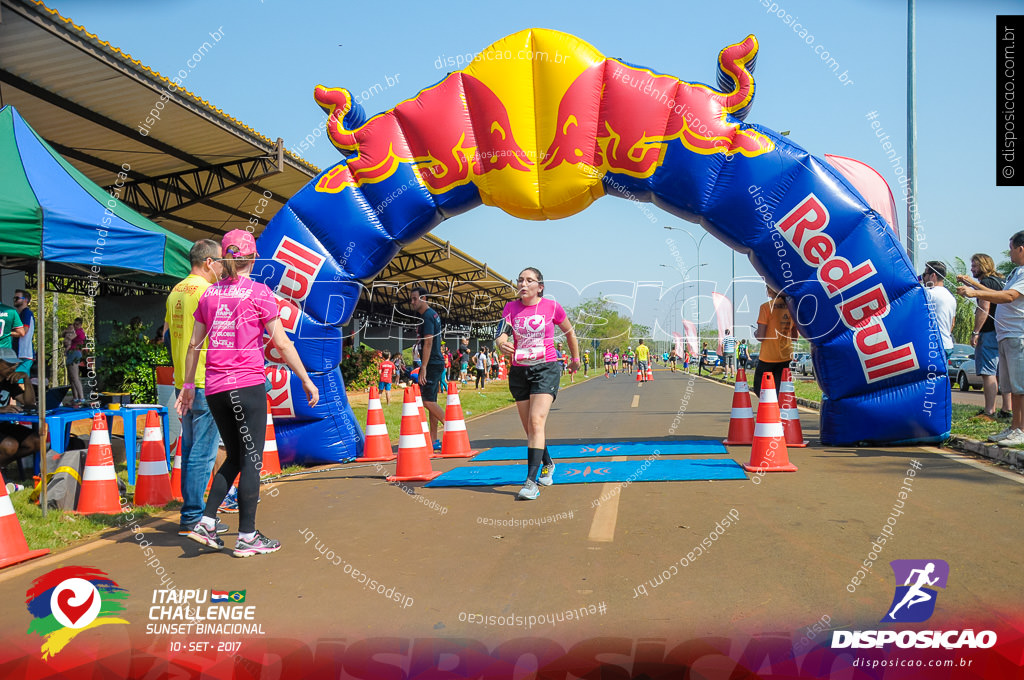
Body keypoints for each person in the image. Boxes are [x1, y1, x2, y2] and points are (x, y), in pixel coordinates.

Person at [177, 230, 319, 557]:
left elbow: (195, 345)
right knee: (252, 459)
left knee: (238, 457)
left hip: (214, 388)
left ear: (225, 258)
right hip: (247, 385)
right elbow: (281, 343)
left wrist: (187, 386)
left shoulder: (209, 295)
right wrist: (306, 379)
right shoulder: (260, 292)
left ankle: (207, 522)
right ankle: (246, 536)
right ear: (253, 258)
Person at [495, 267, 580, 500]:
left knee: (536, 421)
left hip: (546, 368)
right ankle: (548, 463)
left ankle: (531, 482)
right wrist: (501, 343)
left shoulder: (552, 307)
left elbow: (570, 333)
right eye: (520, 280)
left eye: (529, 280)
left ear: (539, 287)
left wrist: (575, 359)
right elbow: (501, 333)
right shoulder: (510, 308)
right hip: (519, 371)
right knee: (530, 428)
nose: (523, 284)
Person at [166, 239, 227, 537]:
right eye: (219, 262)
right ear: (207, 262)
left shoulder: (176, 291)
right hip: (205, 381)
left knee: (190, 450)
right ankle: (193, 517)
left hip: (183, 381)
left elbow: (168, 335)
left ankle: (190, 513)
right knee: (202, 453)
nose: (221, 268)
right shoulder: (208, 292)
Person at [958, 231, 1024, 445]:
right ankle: (1014, 427)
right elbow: (995, 292)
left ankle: (1020, 429)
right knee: (1011, 386)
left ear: (1021, 249)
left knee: (1019, 386)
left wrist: (975, 293)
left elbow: (1009, 297)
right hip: (1005, 336)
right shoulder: (1015, 272)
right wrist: (972, 286)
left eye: (1011, 248)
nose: (1010, 253)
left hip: (1017, 335)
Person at [959, 254, 1011, 420]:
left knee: (988, 372)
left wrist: (976, 332)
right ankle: (1006, 409)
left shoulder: (985, 283)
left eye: (975, 266)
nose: (972, 269)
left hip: (988, 332)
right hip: (1003, 331)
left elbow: (984, 308)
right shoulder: (1000, 281)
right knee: (1002, 372)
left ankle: (989, 411)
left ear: (983, 265)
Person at [409, 286, 446, 451]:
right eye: (411, 299)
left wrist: (423, 367)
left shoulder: (428, 316)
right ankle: (433, 439)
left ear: (424, 298)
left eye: (415, 298)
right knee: (432, 401)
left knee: (427, 401)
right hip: (435, 362)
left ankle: (453, 428)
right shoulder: (431, 315)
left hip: (432, 363)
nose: (412, 302)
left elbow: (429, 342)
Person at [754, 286, 798, 395]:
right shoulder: (792, 308)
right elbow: (794, 337)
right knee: (780, 389)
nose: (767, 290)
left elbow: (760, 337)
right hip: (785, 355)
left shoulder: (766, 307)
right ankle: (778, 410)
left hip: (768, 356)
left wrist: (756, 333)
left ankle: (770, 410)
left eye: (768, 288)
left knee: (759, 389)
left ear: (772, 289)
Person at [921, 261, 956, 363]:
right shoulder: (950, 296)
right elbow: (952, 323)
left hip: (934, 345)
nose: (923, 278)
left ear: (933, 276)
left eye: (924, 275)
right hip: (947, 344)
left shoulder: (929, 294)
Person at [0, 300, 25, 413]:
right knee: (9, 381)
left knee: (9, 383)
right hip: (5, 351)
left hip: (4, 356)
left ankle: (8, 412)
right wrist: (7, 333)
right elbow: (21, 332)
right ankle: (10, 412)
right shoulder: (11, 311)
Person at [12, 290, 35, 409]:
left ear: (25, 300)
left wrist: (6, 333)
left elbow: (23, 332)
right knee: (15, 382)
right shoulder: (20, 314)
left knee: (20, 383)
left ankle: (25, 408)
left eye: (17, 298)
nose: (14, 300)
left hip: (24, 354)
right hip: (19, 354)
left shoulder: (26, 313)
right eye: (14, 298)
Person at [64, 318, 86, 406]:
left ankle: (81, 398)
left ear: (80, 325)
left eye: (77, 324)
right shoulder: (74, 331)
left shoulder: (79, 332)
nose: (75, 326)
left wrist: (68, 331)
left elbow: (69, 337)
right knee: (71, 378)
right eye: (74, 324)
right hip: (70, 353)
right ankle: (75, 397)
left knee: (75, 376)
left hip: (75, 353)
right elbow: (64, 337)